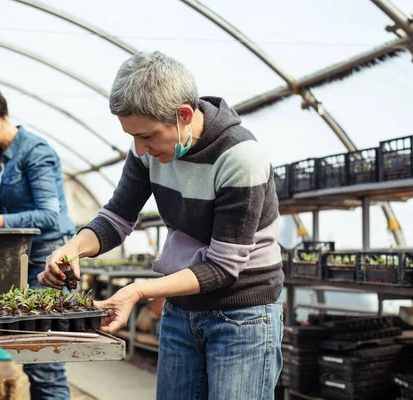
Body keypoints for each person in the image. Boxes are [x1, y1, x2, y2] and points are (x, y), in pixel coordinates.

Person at [38, 52, 284, 400]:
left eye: (148, 136)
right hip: (182, 309)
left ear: (183, 115)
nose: (140, 148)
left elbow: (223, 267)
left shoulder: (240, 158)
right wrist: (74, 246)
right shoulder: (145, 151)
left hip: (242, 315)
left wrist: (140, 290)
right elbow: (117, 217)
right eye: (133, 137)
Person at [0, 76, 76, 400]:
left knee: (43, 362)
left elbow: (49, 214)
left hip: (48, 265)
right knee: (11, 350)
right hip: (18, 263)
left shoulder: (35, 152)